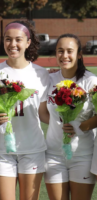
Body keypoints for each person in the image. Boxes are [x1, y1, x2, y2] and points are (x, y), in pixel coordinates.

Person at [0, 20, 50, 200]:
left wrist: (70, 121)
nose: (13, 44)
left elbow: (43, 114)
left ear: (28, 42)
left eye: (18, 40)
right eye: (8, 39)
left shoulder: (41, 74)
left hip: (32, 148)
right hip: (2, 150)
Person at [42, 33, 97, 200]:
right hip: (53, 155)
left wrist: (81, 126)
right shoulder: (49, 79)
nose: (64, 56)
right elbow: (42, 112)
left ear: (79, 54)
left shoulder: (91, 81)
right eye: (60, 51)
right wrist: (59, 124)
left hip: (83, 155)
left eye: (69, 51)